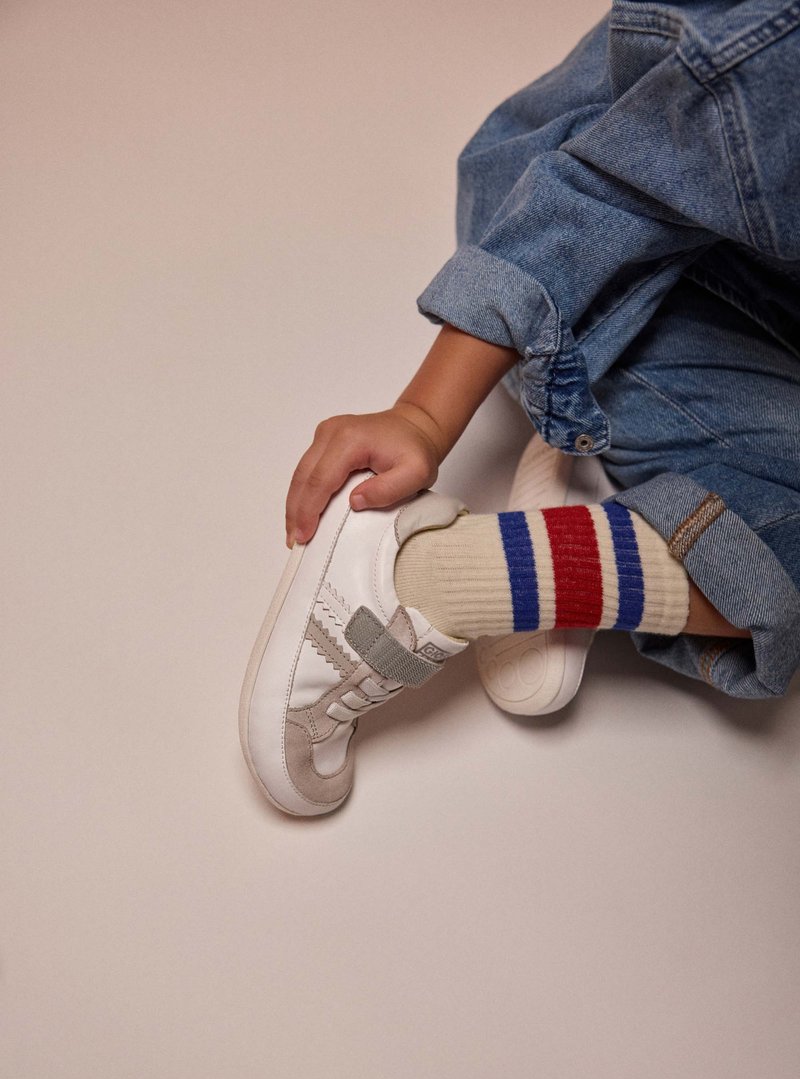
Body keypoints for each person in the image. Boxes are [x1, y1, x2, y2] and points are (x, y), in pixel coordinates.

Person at [239, 0, 800, 816]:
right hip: (593, 254)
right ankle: (408, 574)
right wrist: (425, 418)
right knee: (770, 565)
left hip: (760, 322)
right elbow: (612, 190)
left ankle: (550, 545)